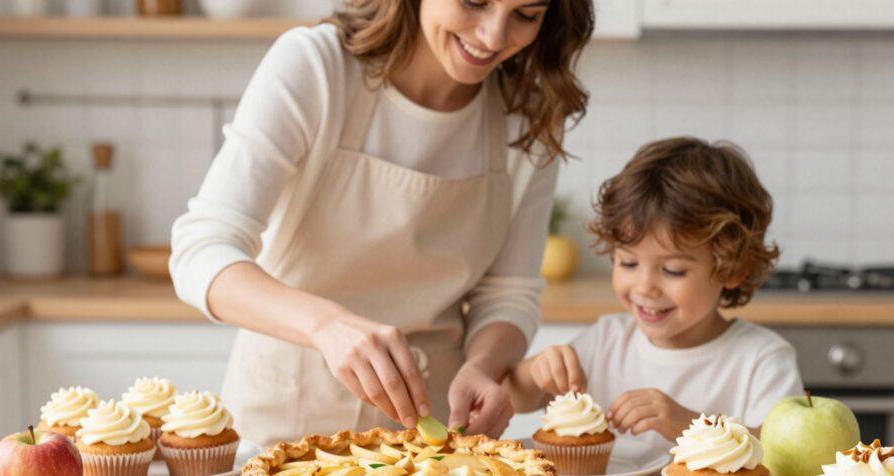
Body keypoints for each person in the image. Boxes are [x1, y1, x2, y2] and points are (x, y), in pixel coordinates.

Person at [169, 0, 594, 447]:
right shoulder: (318, 66)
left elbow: (509, 293)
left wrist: (483, 366)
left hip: (429, 445)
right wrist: (326, 326)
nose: (492, 36)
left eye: (525, 16)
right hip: (281, 429)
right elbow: (202, 249)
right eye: (474, 2)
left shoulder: (529, 114)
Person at [505, 137, 804, 449]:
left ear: (731, 269)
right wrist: (534, 371)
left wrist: (690, 426)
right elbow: (515, 397)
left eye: (673, 270)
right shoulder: (606, 341)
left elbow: (783, 452)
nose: (645, 286)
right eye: (628, 262)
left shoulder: (761, 359)